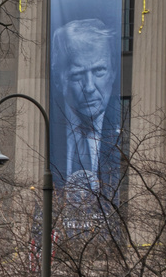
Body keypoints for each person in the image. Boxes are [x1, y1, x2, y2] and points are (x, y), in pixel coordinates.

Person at [50, 18, 120, 193]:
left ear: (113, 73)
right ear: (59, 80)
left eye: (98, 71)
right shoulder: (47, 130)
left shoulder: (121, 130)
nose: (89, 87)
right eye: (77, 75)